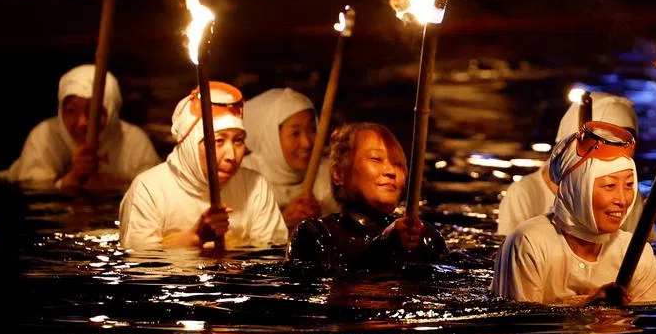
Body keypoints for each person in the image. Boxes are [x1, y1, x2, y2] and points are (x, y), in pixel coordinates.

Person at [494, 121, 656, 306]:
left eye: (629, 185)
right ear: (577, 189)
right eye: (610, 186)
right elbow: (523, 329)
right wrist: (588, 307)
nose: (622, 200)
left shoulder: (637, 254)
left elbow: (647, 327)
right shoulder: (528, 244)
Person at [118, 82, 287, 250]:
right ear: (189, 145)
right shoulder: (149, 189)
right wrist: (195, 238)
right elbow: (141, 265)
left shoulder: (254, 186)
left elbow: (272, 255)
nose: (231, 156)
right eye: (218, 141)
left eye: (238, 141)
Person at [288, 122, 443, 273]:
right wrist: (385, 246)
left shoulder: (424, 236)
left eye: (398, 164)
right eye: (376, 159)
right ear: (339, 173)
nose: (391, 171)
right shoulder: (315, 234)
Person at [496, 91, 651, 239]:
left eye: (625, 144)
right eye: (607, 143)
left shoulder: (626, 196)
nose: (616, 153)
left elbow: (648, 252)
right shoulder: (524, 194)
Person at [2, 65, 160, 190]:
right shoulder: (44, 137)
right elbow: (33, 193)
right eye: (71, 111)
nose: (82, 122)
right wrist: (71, 179)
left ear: (111, 112)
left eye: (94, 111)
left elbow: (153, 192)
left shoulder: (134, 142)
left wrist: (107, 182)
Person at [240, 88, 337, 231]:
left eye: (311, 129)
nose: (307, 143)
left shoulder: (329, 174)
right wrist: (281, 222)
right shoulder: (245, 179)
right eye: (295, 133)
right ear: (271, 138)